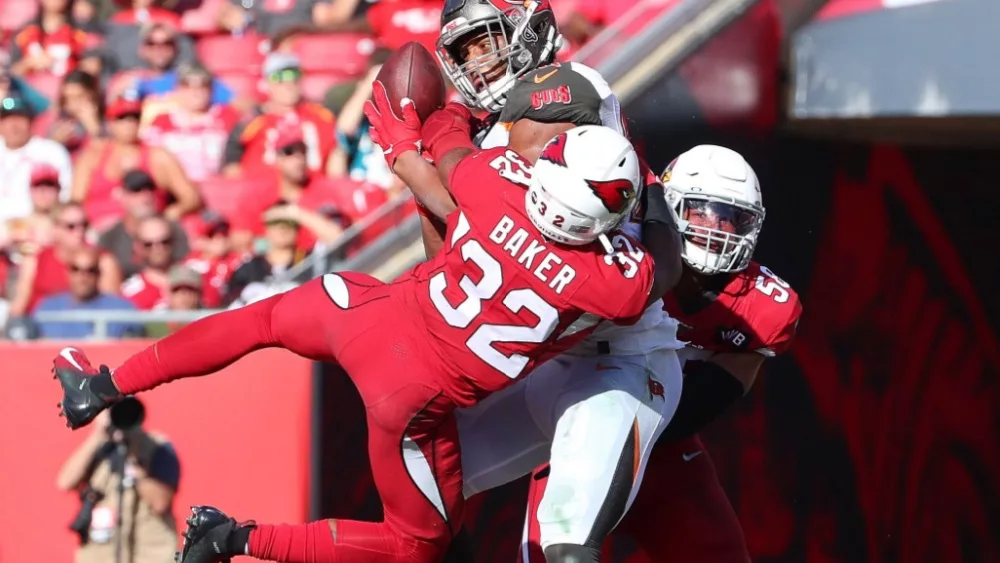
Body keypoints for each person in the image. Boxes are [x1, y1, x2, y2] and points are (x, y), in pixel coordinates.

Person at [53, 117, 680, 563]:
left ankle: (104, 385)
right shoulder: (610, 284)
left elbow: (450, 139)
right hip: (410, 397)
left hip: (365, 311)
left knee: (256, 322)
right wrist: (650, 191)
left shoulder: (492, 183)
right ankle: (232, 538)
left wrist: (430, 114)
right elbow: (664, 267)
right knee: (416, 547)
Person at [519, 146, 803, 563]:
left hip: (665, 450)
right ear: (669, 209)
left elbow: (709, 396)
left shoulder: (764, 308)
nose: (716, 228)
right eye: (701, 212)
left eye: (731, 218)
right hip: (577, 426)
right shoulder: (620, 260)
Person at [54, 381, 180, 563]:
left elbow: (160, 502)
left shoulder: (157, 447)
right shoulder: (98, 448)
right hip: (101, 554)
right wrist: (97, 435)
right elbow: (65, 482)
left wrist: (134, 459)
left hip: (148, 554)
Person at [34, 246, 143, 339]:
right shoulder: (48, 308)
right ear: (67, 273)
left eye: (90, 270)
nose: (83, 277)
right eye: (76, 269)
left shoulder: (122, 309)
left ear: (99, 274)